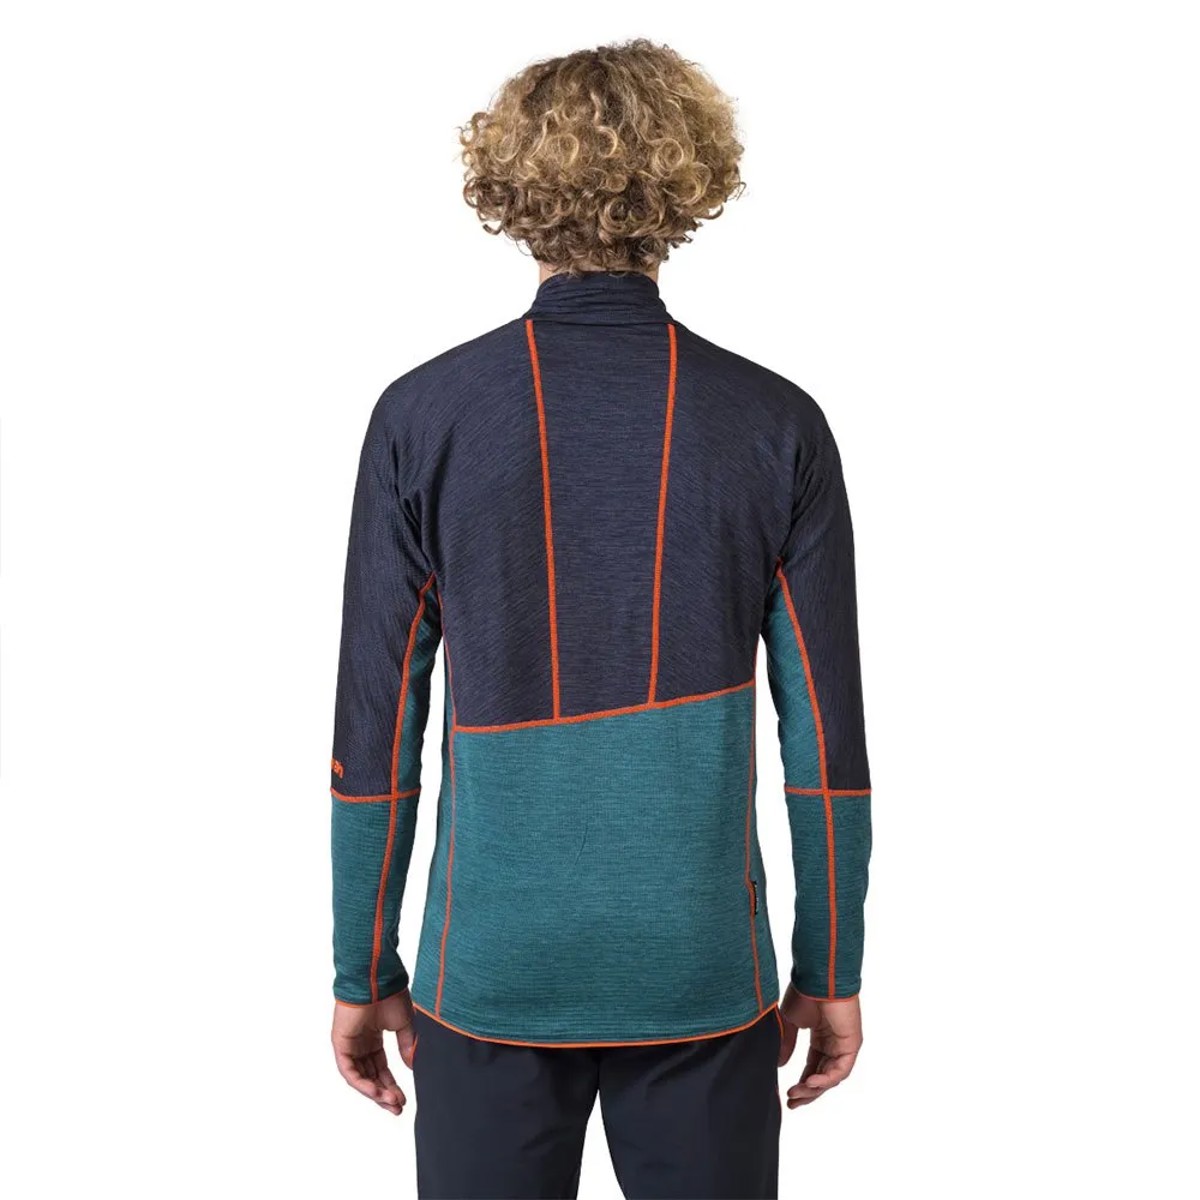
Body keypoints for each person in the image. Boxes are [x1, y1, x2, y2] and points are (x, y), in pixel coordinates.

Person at [327, 37, 872, 1200]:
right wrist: (831, 966)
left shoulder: (423, 418)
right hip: (699, 967)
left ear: (511, 182)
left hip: (489, 970)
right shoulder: (776, 423)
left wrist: (361, 969)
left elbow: (375, 733)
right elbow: (826, 744)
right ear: (687, 180)